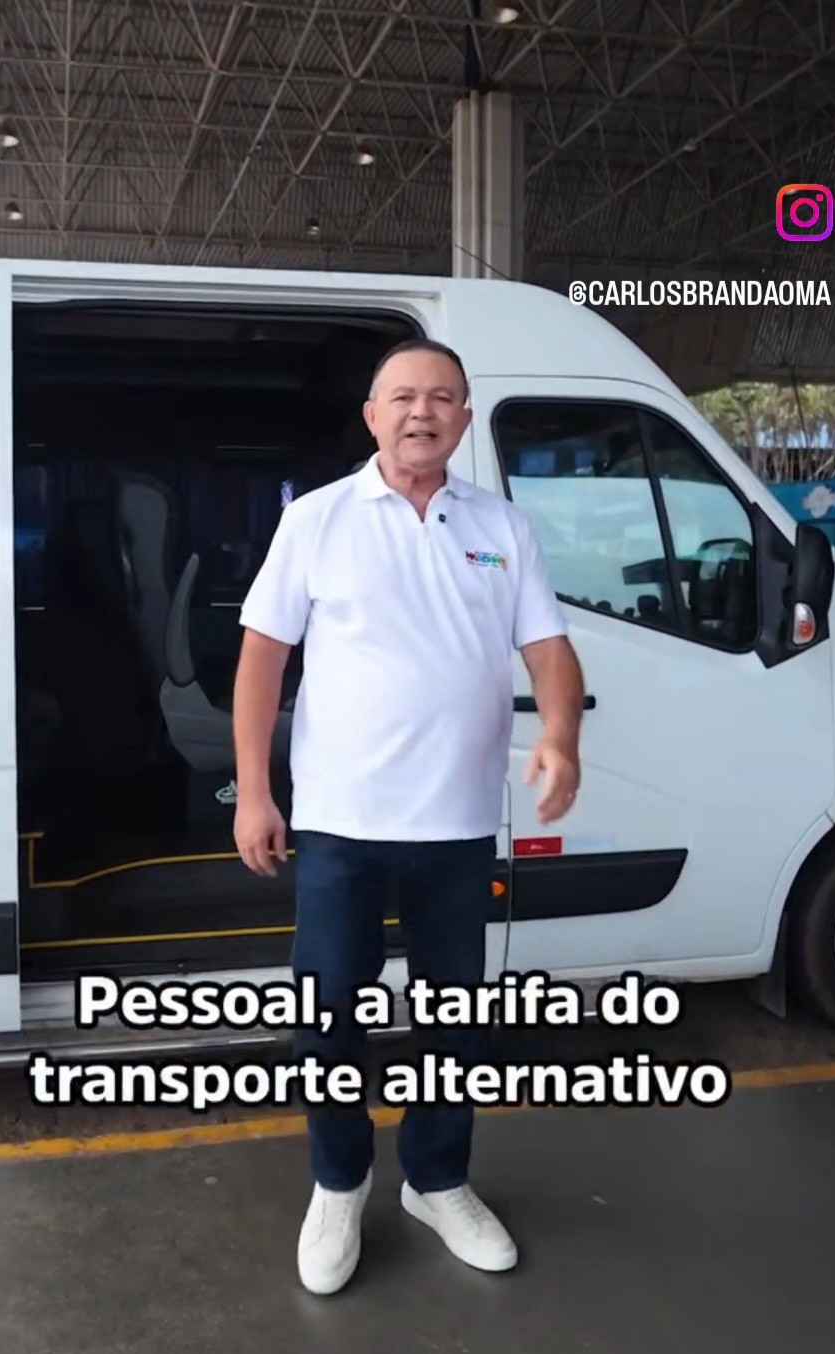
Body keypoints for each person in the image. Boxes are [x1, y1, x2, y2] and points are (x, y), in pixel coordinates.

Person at [232, 339, 585, 1294]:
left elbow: (548, 648)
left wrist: (561, 735)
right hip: (340, 823)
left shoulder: (501, 527)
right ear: (372, 416)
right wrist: (256, 792)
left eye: (440, 398)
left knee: (455, 1021)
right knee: (329, 1018)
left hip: (458, 824)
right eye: (401, 397)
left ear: (464, 418)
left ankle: (436, 1181)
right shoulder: (317, 520)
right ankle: (339, 1184)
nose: (420, 411)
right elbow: (262, 657)